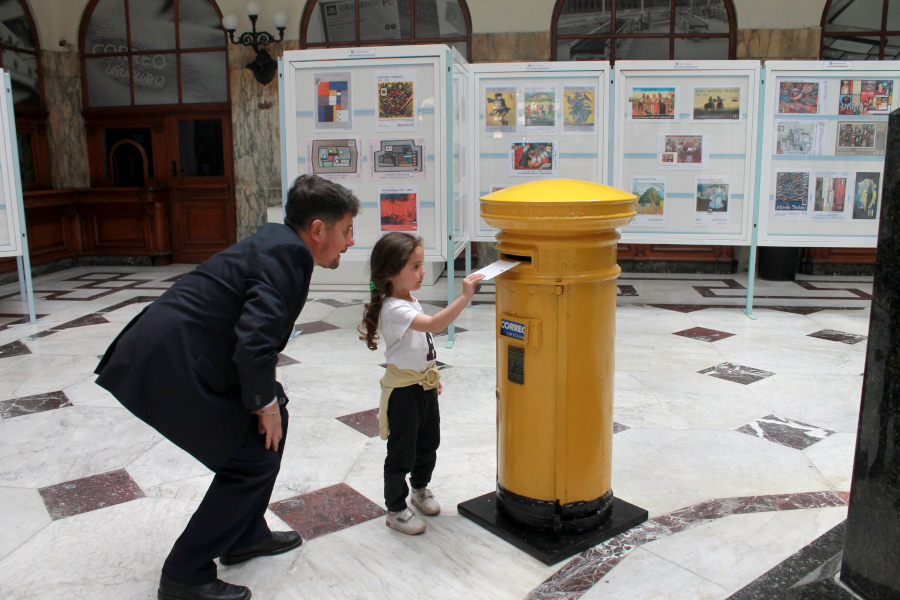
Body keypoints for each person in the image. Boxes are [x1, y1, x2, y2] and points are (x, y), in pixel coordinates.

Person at [95, 174, 359, 600]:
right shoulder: (289, 256)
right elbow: (254, 341)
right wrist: (263, 403)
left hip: (179, 350)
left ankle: (244, 535)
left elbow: (252, 336)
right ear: (317, 230)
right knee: (249, 460)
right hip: (169, 362)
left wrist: (270, 402)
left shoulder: (278, 244)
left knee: (271, 425)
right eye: (346, 231)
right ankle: (185, 574)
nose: (349, 242)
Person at [358, 232, 484, 535]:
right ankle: (396, 509)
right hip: (404, 392)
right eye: (415, 266)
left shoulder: (409, 300)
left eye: (421, 264)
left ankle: (420, 488)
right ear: (390, 273)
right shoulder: (394, 308)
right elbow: (435, 325)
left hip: (423, 385)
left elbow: (419, 345)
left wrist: (432, 376)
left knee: (428, 443)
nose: (422, 272)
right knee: (402, 451)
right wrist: (465, 296)